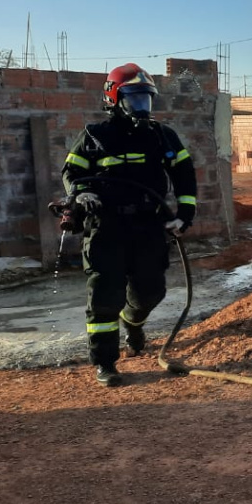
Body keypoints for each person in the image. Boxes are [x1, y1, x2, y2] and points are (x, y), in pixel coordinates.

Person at [61, 63, 197, 386]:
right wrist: (80, 195)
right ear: (114, 99)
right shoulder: (94, 136)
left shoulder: (163, 137)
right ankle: (105, 363)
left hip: (149, 226)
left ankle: (132, 321)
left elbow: (184, 174)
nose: (142, 107)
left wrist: (185, 214)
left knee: (151, 290)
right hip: (105, 227)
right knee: (104, 295)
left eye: (146, 99)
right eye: (134, 99)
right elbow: (71, 174)